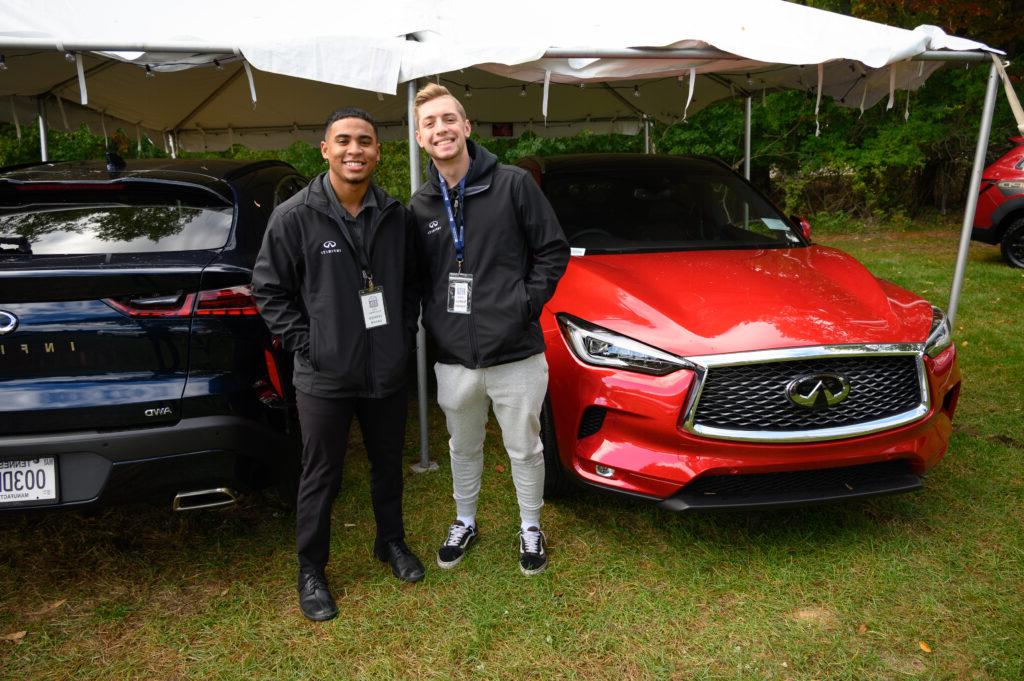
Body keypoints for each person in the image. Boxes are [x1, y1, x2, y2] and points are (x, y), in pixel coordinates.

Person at [252, 107, 424, 622]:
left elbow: (411, 283)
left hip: (387, 369)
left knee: (387, 465)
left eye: (366, 141)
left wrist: (400, 332)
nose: (356, 149)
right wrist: (309, 343)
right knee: (321, 473)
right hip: (323, 374)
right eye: (344, 140)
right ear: (324, 150)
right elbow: (268, 289)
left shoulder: (396, 215)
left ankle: (389, 542)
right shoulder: (294, 216)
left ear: (378, 151)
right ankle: (312, 569)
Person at [409, 84, 569, 575]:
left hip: (516, 351)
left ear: (467, 126)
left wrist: (523, 303)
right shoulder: (420, 206)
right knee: (462, 445)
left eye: (449, 119)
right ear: (420, 138)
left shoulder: (513, 184)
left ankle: (530, 525)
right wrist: (435, 322)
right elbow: (418, 279)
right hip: (455, 356)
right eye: (431, 123)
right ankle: (464, 519)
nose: (442, 129)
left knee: (525, 446)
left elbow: (552, 251)